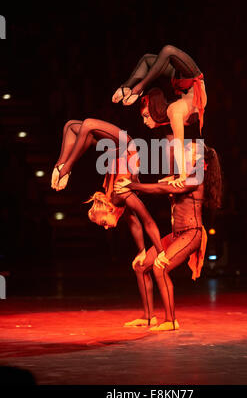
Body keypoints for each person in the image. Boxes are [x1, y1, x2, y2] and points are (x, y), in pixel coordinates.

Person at [115, 142, 222, 332]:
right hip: (177, 235)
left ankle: (171, 320)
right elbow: (156, 186)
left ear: (202, 162)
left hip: (192, 233)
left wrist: (131, 185)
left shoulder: (197, 178)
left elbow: (161, 189)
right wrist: (132, 185)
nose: (187, 154)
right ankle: (148, 318)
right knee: (141, 266)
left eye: (192, 153)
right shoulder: (180, 177)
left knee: (160, 267)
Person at [51, 119, 165, 281]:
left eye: (103, 223)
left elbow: (145, 222)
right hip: (120, 147)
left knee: (77, 126)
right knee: (73, 127)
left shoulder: (118, 196)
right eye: (104, 224)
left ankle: (64, 167)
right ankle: (63, 166)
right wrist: (143, 250)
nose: (106, 228)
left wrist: (160, 252)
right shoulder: (120, 201)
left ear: (109, 209)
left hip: (120, 146)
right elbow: (140, 223)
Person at [112, 45, 207, 185]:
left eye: (145, 115)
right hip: (187, 80)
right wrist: (173, 175)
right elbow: (172, 147)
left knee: (158, 54)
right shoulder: (172, 115)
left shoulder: (173, 111)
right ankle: (131, 87)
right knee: (156, 56)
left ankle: (134, 87)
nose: (144, 122)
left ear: (155, 111)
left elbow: (178, 144)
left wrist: (181, 176)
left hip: (188, 79)